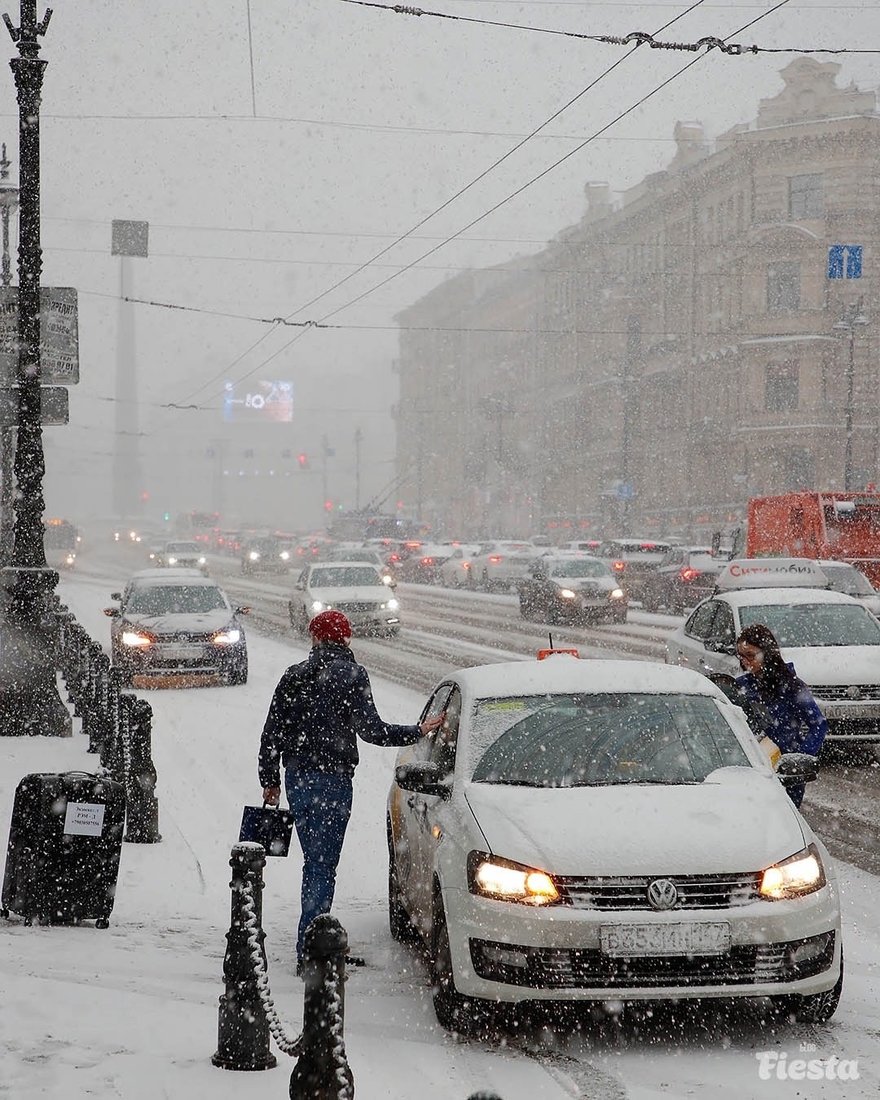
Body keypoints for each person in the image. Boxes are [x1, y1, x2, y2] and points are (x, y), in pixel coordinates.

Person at [258, 609, 444, 972]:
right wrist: (418, 731)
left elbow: (272, 733)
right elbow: (373, 731)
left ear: (314, 638)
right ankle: (312, 949)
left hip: (298, 779)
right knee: (322, 865)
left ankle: (312, 941)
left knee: (315, 862)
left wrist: (270, 780)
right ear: (346, 638)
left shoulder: (293, 676)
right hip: (334, 782)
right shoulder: (352, 676)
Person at [734, 622, 828, 807]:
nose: (745, 661)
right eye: (741, 656)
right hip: (751, 768)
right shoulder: (741, 686)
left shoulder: (792, 686)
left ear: (766, 653)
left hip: (785, 772)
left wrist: (800, 758)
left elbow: (818, 724)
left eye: (750, 655)